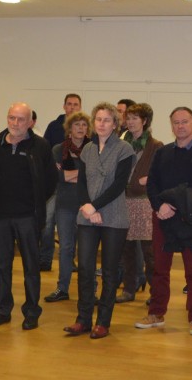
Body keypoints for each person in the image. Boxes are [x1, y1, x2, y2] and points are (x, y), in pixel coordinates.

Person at [136, 107, 192, 335]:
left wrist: (169, 204)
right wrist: (159, 206)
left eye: (184, 122)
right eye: (176, 122)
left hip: (189, 219)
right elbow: (152, 184)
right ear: (171, 126)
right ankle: (156, 313)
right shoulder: (162, 153)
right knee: (159, 269)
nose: (180, 126)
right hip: (162, 217)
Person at [65, 102, 135, 339]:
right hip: (87, 216)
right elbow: (82, 182)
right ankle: (83, 319)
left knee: (109, 271)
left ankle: (103, 322)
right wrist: (87, 206)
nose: (101, 124)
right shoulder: (88, 149)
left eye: (107, 120)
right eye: (98, 119)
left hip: (113, 217)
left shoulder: (125, 149)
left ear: (115, 124)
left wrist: (94, 206)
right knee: (85, 268)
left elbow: (119, 185)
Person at [0, 102, 56, 331]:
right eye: (11, 118)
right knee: (1, 265)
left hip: (28, 217)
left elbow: (51, 181)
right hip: (1, 217)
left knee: (31, 267)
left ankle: (31, 311)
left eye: (21, 119)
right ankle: (2, 310)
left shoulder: (41, 146)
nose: (15, 123)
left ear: (30, 122)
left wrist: (36, 203)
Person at [116, 102, 162, 304]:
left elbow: (162, 173)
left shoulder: (155, 145)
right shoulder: (120, 142)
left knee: (149, 252)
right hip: (123, 201)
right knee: (126, 249)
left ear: (144, 121)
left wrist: (150, 179)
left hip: (144, 203)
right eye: (128, 118)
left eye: (135, 118)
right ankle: (129, 289)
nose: (131, 122)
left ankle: (156, 292)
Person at [44, 111, 91, 303]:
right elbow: (57, 177)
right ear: (69, 129)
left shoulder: (93, 149)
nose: (81, 128)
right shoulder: (58, 149)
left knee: (87, 250)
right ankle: (62, 288)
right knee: (65, 248)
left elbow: (96, 177)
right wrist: (82, 174)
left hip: (87, 205)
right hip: (65, 205)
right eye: (77, 124)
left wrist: (70, 174)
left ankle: (88, 290)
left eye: (84, 125)